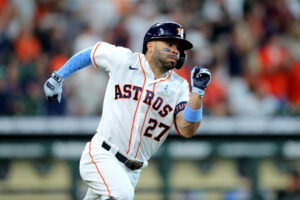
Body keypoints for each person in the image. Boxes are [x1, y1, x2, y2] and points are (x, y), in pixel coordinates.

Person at [44, 21, 211, 200]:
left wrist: (198, 94)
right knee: (122, 195)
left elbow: (186, 129)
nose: (175, 50)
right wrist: (58, 76)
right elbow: (92, 53)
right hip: (103, 155)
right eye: (169, 44)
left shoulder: (180, 87)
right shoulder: (124, 60)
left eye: (179, 47)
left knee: (121, 193)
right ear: (150, 45)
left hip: (132, 172)